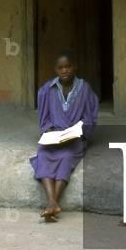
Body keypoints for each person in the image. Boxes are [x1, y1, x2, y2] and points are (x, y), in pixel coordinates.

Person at [30, 52, 98, 222]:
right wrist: (50, 130)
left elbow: (89, 118)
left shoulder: (84, 88)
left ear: (74, 67)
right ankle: (53, 204)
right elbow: (44, 119)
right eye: (60, 67)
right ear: (55, 70)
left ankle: (52, 204)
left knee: (67, 158)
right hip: (54, 138)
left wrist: (77, 131)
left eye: (68, 66)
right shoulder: (48, 89)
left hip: (75, 137)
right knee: (44, 155)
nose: (64, 70)